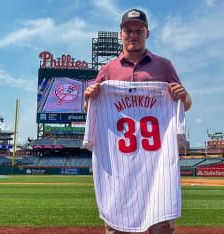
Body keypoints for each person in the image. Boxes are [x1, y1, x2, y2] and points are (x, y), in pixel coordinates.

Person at [83, 9, 192, 234]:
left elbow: (185, 104)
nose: (133, 35)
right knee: (116, 222)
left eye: (139, 31)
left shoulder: (164, 66)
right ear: (120, 34)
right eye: (128, 30)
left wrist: (184, 95)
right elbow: (91, 111)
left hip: (157, 162)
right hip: (119, 160)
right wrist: (89, 99)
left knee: (161, 223)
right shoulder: (108, 69)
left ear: (147, 33)